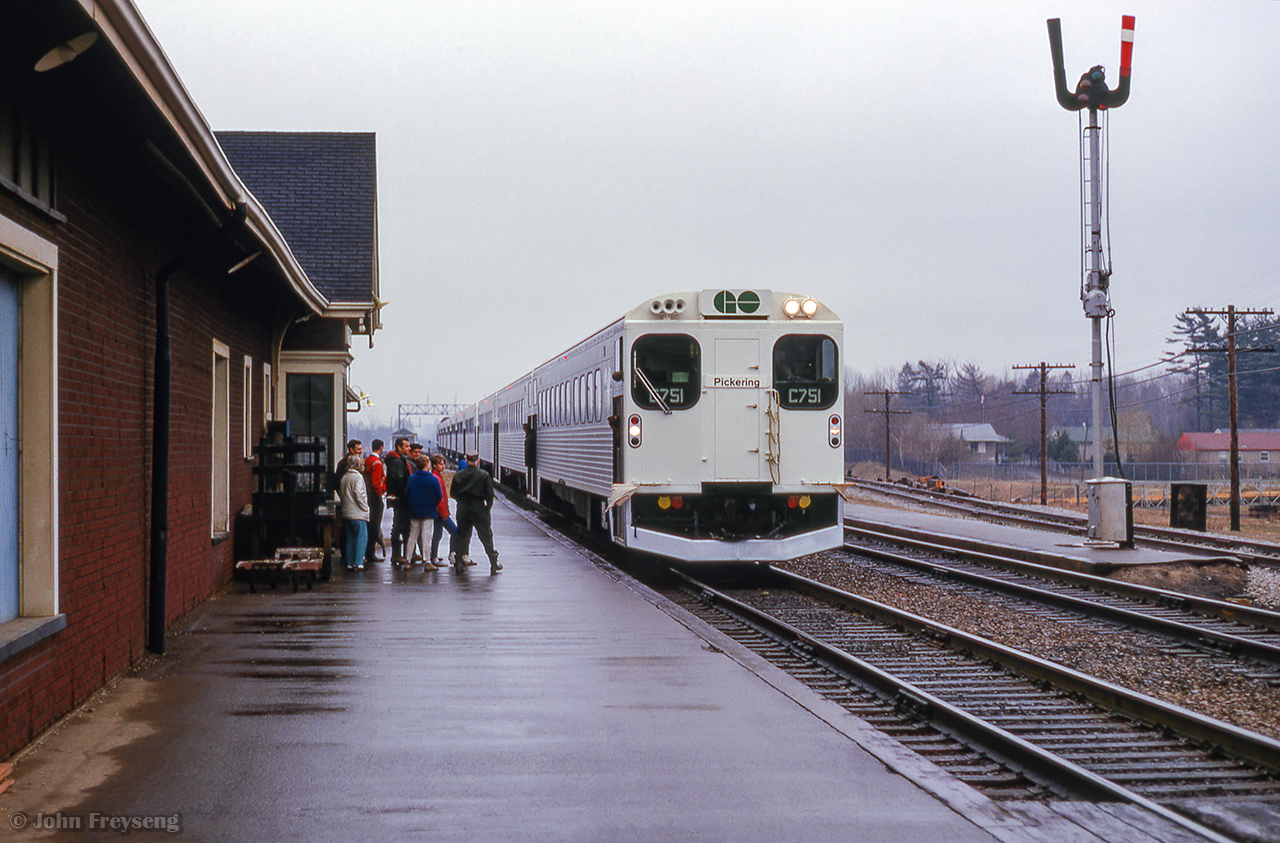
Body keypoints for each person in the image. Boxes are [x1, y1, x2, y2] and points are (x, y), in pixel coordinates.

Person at [450, 451, 501, 573]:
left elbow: (452, 493)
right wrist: (486, 509)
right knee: (486, 536)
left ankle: (458, 563)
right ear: (478, 461)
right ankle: (493, 564)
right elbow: (489, 495)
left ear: (466, 460)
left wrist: (461, 501)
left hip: (463, 508)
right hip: (479, 508)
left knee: (462, 535)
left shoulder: (459, 475)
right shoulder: (484, 475)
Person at [404, 455, 443, 571]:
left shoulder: (411, 478)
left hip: (414, 511)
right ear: (427, 465)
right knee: (426, 536)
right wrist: (432, 503)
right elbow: (439, 496)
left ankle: (407, 560)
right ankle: (427, 561)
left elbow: (407, 494)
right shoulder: (433, 479)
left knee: (413, 535)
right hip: (429, 511)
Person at [338, 455, 369, 571]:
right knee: (361, 537)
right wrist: (365, 507)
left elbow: (341, 493)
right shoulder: (358, 477)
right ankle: (359, 562)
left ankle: (350, 563)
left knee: (349, 538)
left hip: (347, 512)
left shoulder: (345, 477)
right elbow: (359, 494)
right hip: (358, 513)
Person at [384, 437, 412, 565]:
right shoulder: (397, 462)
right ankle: (396, 555)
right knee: (399, 526)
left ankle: (405, 554)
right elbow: (399, 481)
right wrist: (405, 497)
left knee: (403, 526)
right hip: (400, 500)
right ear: (399, 448)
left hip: (398, 499)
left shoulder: (397, 460)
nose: (409, 448)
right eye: (406, 446)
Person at [429, 453, 459, 565]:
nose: (443, 466)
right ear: (435, 465)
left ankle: (435, 556)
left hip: (438, 511)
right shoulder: (437, 478)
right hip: (440, 512)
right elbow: (440, 498)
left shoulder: (437, 476)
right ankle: (441, 556)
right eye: (441, 464)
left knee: (439, 534)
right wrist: (444, 512)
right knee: (448, 532)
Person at [364, 439, 387, 564]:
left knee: (370, 525)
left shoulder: (367, 460)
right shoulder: (377, 463)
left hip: (368, 497)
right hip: (375, 498)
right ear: (381, 448)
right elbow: (376, 483)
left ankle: (368, 552)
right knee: (374, 526)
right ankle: (370, 554)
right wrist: (381, 493)